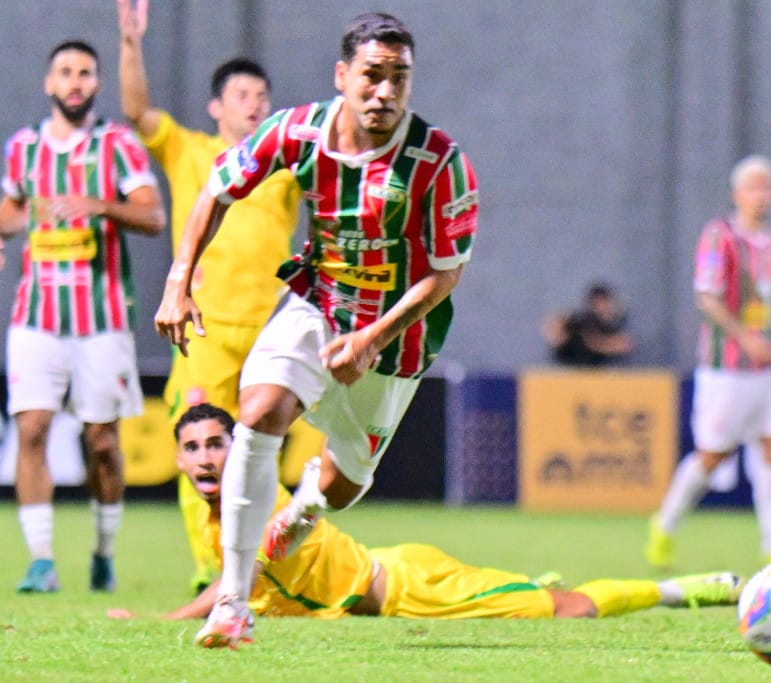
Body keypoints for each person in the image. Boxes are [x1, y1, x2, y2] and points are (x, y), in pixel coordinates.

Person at [154, 12, 479, 647]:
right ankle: (232, 602)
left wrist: (373, 338)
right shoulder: (298, 131)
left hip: (395, 344)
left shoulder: (439, 162)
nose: (383, 92)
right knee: (260, 411)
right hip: (318, 303)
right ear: (342, 76)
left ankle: (303, 507)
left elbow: (444, 275)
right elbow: (217, 190)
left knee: (345, 485)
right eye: (371, 75)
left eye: (398, 79)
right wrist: (178, 280)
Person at [152, 403, 742, 645]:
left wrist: (163, 620)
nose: (206, 457)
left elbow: (246, 572)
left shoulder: (255, 498)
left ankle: (684, 590)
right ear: (177, 459)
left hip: (411, 588)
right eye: (193, 448)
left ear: (241, 451)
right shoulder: (212, 521)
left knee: (572, 611)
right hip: (378, 587)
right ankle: (519, 585)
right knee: (534, 598)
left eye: (216, 445)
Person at [117, 0, 322, 596]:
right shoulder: (189, 150)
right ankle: (212, 567)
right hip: (204, 330)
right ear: (217, 106)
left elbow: (324, 213)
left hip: (268, 329)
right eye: (242, 95)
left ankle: (264, 560)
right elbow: (135, 111)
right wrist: (131, 42)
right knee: (200, 446)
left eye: (261, 95)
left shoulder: (285, 167)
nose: (255, 103)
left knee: (255, 450)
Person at [0, 40, 166, 593]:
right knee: (32, 428)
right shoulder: (23, 149)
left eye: (86, 74)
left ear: (97, 84)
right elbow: (11, 211)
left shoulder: (116, 145)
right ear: (49, 83)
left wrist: (100, 206)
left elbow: (154, 215)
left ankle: (103, 550)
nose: (75, 82)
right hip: (36, 315)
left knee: (101, 440)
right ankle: (41, 561)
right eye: (65, 73)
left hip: (102, 316)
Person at [645, 155, 771, 569]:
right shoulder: (720, 235)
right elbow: (707, 297)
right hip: (726, 367)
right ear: (737, 193)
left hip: (767, 368)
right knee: (713, 456)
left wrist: (763, 338)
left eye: (767, 187)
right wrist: (745, 338)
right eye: (753, 187)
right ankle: (665, 523)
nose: (761, 195)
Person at [543, 282, 634, 366]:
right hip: (572, 368)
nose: (601, 307)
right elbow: (554, 327)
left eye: (604, 303)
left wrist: (601, 343)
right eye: (597, 303)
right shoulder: (580, 320)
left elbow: (624, 345)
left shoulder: (614, 324)